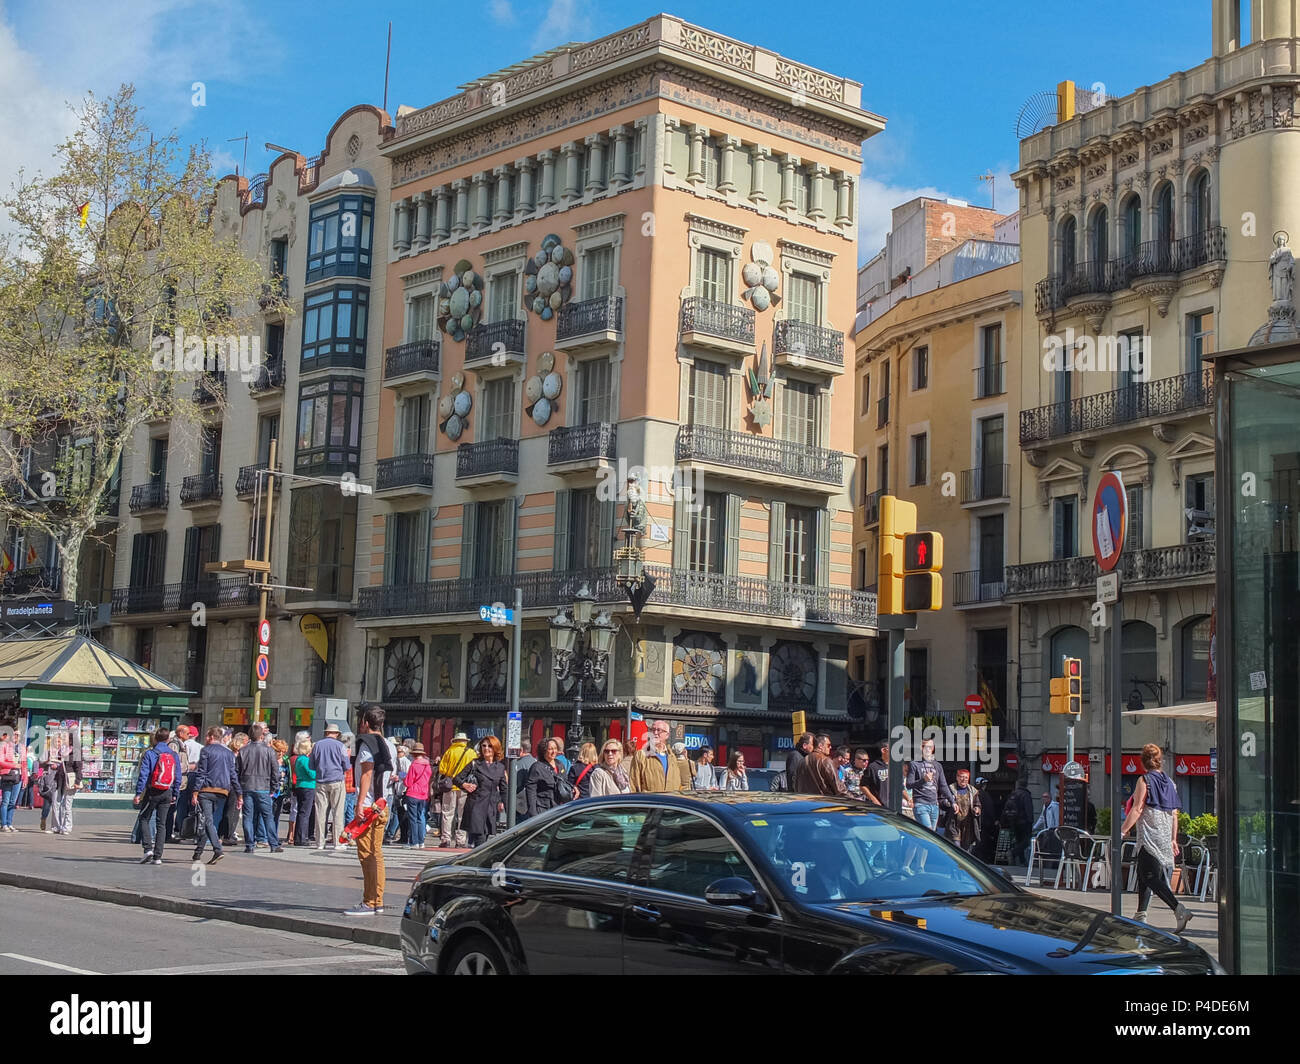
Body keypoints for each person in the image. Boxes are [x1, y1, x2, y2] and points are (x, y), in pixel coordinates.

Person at [1122, 743, 1192, 932]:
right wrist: (1173, 838)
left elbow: (1137, 809)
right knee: (1143, 875)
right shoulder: (1170, 782)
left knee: (1151, 877)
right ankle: (1140, 915)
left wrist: (1122, 830)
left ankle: (1178, 909)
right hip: (1165, 836)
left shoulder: (1144, 780)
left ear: (1143, 762)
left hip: (1149, 836)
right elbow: (1175, 814)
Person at [345, 703, 393, 916]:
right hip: (383, 804)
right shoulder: (389, 744)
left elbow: (366, 775)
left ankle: (370, 901)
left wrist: (359, 803)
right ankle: (378, 899)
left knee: (366, 854)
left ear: (365, 722)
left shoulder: (366, 744)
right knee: (377, 854)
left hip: (369, 807)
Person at [190, 726, 241, 865]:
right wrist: (239, 793)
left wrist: (195, 791)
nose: (205, 739)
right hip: (223, 791)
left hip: (207, 789)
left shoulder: (206, 750)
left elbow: (202, 773)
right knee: (210, 821)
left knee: (208, 821)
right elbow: (233, 774)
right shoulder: (229, 753)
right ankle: (198, 852)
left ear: (212, 737)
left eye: (207, 736)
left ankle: (217, 849)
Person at [133, 727, 181, 864]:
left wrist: (138, 793)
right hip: (167, 791)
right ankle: (158, 856)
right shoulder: (173, 754)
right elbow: (177, 776)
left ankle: (148, 848)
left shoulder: (150, 754)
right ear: (168, 739)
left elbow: (144, 775)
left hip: (152, 791)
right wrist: (175, 793)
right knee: (162, 823)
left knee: (144, 818)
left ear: (155, 739)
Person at [236, 724, 283, 854]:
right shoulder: (269, 751)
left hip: (247, 786)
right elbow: (275, 772)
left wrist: (239, 788)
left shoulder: (243, 751)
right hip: (263, 787)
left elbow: (237, 771)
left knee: (248, 817)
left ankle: (249, 845)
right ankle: (273, 844)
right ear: (261, 735)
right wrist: (274, 788)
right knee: (268, 816)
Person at [459, 736, 508, 847]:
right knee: (480, 838)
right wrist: (465, 785)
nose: (486, 748)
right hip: (476, 806)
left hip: (490, 807)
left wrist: (508, 809)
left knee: (485, 838)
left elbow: (504, 789)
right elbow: (457, 778)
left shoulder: (500, 767)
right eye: (484, 746)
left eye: (490, 746)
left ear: (495, 748)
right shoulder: (475, 763)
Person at [310, 723, 350, 850]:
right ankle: (338, 842)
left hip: (321, 781)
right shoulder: (340, 746)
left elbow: (311, 765)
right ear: (337, 734)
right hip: (337, 780)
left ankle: (320, 842)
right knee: (337, 812)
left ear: (326, 733)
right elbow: (347, 766)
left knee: (320, 812)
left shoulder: (317, 745)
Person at [437, 733, 477, 849]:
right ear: (465, 741)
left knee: (447, 813)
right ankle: (460, 840)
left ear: (455, 741)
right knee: (462, 815)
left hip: (450, 786)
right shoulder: (471, 753)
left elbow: (442, 769)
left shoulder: (449, 752)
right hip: (465, 787)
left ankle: (446, 838)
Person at [904, 738, 952, 831]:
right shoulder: (914, 764)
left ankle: (913, 846)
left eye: (930, 747)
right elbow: (908, 785)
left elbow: (943, 785)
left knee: (930, 837)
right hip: (921, 804)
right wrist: (923, 780)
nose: (927, 749)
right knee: (929, 832)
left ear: (933, 748)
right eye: (925, 747)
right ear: (921, 748)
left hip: (934, 805)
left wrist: (952, 802)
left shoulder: (937, 765)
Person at [629, 720, 685, 793]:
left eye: (659, 730)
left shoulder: (672, 757)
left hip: (670, 802)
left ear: (667, 735)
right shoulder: (641, 755)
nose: (655, 733)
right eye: (652, 730)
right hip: (650, 803)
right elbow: (633, 783)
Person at [525, 737, 572, 816]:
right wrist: (533, 812)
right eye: (550, 749)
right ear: (543, 751)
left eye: (555, 748)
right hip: (543, 808)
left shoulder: (560, 765)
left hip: (558, 808)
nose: (554, 751)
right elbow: (531, 791)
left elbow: (565, 781)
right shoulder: (537, 767)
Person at [163, 726, 191, 843]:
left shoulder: (182, 744)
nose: (189, 736)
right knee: (170, 810)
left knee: (176, 809)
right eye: (187, 733)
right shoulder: (174, 745)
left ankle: (171, 832)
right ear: (180, 733)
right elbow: (173, 764)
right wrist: (189, 767)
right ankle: (167, 835)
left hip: (182, 783)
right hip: (175, 783)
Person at [945, 767, 982, 853]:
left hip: (968, 825)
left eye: (966, 777)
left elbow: (978, 804)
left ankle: (962, 866)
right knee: (956, 847)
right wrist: (948, 803)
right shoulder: (950, 789)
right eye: (961, 777)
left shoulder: (973, 791)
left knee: (966, 851)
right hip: (954, 823)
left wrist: (977, 809)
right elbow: (942, 801)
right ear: (957, 777)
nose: (963, 779)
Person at [403, 743, 433, 848]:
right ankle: (421, 842)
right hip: (423, 795)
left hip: (413, 794)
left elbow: (408, 782)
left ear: (414, 754)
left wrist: (403, 778)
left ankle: (414, 842)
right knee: (421, 818)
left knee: (413, 818)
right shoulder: (428, 766)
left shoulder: (414, 764)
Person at [289, 737, 316, 847]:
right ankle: (301, 838)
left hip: (300, 785)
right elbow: (311, 774)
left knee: (301, 812)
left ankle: (298, 837)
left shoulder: (299, 759)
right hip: (308, 786)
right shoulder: (305, 760)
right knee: (305, 813)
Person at [223, 732, 249, 845]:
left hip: (228, 784)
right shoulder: (236, 756)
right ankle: (228, 834)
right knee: (233, 810)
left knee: (230, 810)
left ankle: (227, 833)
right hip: (234, 785)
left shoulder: (229, 753)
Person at [0, 729, 26, 832]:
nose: (17, 736)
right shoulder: (5, 746)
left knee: (13, 802)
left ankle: (9, 823)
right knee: (5, 801)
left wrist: (25, 778)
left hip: (18, 777)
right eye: (15, 734)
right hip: (7, 774)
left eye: (18, 735)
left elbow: (24, 764)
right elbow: (1, 762)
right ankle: (3, 824)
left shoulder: (22, 747)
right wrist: (13, 765)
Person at [385, 743, 411, 844]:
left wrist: (397, 776)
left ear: (404, 753)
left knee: (402, 814)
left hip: (403, 789)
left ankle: (403, 837)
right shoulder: (397, 761)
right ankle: (402, 836)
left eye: (399, 751)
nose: (398, 753)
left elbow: (407, 774)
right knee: (399, 814)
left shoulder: (405, 761)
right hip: (397, 789)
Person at [1005, 778, 1034, 864]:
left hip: (1014, 821)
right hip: (1024, 822)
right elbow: (1028, 809)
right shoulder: (1026, 794)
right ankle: (1013, 853)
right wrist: (1030, 821)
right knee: (1026, 841)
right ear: (1026, 785)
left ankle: (1022, 860)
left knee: (1019, 841)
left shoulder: (1013, 794)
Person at [513, 738, 537, 821]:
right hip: (533, 804)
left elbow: (515, 786)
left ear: (521, 750)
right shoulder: (535, 761)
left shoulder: (519, 764)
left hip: (520, 806)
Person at [862, 741, 889, 808]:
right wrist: (874, 800)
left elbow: (900, 786)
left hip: (893, 805)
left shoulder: (895, 766)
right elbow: (863, 785)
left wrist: (909, 799)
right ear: (883, 750)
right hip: (879, 806)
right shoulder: (873, 767)